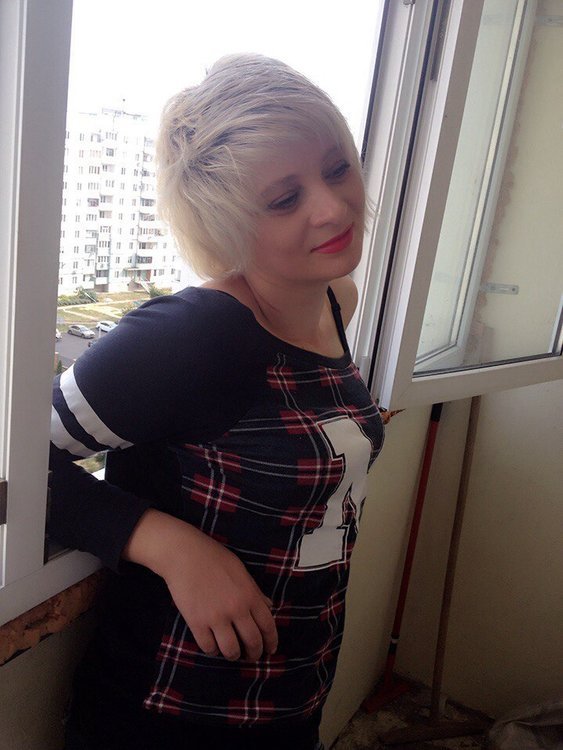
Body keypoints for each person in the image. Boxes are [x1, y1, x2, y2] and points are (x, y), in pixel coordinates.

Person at [49, 53, 385, 750]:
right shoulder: (193, 335)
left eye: (336, 168)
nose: (332, 207)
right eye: (284, 199)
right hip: (172, 713)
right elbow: (13, 460)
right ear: (226, 222)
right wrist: (170, 546)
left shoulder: (334, 298)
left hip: (291, 692)